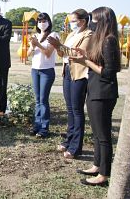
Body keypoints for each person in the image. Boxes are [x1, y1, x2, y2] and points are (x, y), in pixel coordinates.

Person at [71, 7, 121, 186]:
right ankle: (97, 165)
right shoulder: (101, 40)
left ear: (103, 21)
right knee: (97, 134)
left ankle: (104, 175)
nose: (92, 22)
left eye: (95, 19)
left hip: (103, 93)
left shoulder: (110, 41)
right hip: (94, 90)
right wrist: (86, 55)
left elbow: (108, 72)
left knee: (103, 136)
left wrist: (85, 62)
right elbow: (99, 61)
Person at [48, 9, 92, 158]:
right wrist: (57, 46)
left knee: (77, 110)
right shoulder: (72, 35)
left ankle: (75, 147)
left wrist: (59, 45)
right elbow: (62, 53)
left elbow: (79, 54)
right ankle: (69, 140)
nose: (72, 23)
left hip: (79, 73)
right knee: (70, 109)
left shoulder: (88, 34)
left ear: (83, 21)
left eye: (74, 21)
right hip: (67, 71)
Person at [27, 13, 58, 138]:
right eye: (39, 21)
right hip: (35, 70)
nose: (41, 23)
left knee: (43, 100)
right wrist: (33, 46)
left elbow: (48, 53)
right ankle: (37, 126)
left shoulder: (53, 35)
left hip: (47, 71)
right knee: (37, 100)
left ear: (49, 22)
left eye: (44, 21)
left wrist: (38, 44)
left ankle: (44, 128)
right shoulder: (35, 35)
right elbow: (28, 54)